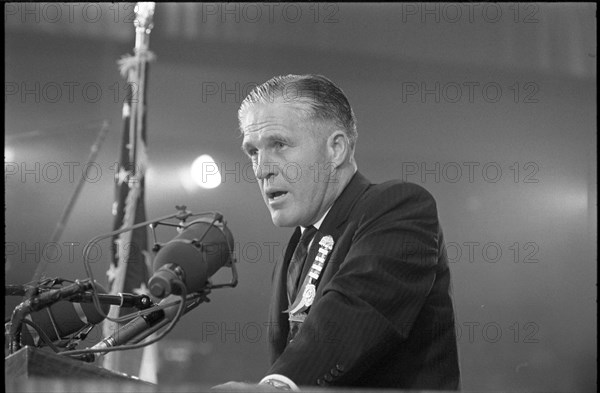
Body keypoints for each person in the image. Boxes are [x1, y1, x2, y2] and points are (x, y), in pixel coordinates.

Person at [213, 74, 460, 391]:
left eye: (279, 144)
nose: (262, 169)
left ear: (336, 149)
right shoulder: (294, 251)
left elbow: (356, 309)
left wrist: (276, 386)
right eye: (253, 152)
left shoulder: (400, 208)